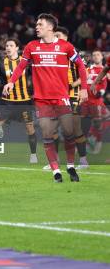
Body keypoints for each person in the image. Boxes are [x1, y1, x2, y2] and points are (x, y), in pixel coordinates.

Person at [3, 14, 88, 183]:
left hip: (62, 97)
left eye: (40, 24)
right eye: (36, 24)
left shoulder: (66, 47)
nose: (36, 27)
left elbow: (80, 65)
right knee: (48, 134)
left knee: (69, 133)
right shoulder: (31, 46)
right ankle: (56, 171)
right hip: (42, 99)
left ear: (50, 27)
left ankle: (70, 166)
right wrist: (11, 82)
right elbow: (21, 66)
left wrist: (84, 88)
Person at [54, 27, 89, 169]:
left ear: (66, 37)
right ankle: (54, 161)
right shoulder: (54, 54)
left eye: (58, 35)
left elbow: (84, 73)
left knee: (75, 129)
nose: (55, 38)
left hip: (73, 95)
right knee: (52, 129)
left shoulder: (76, 53)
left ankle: (83, 160)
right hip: (57, 96)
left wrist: (72, 85)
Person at [82, 50, 108, 155]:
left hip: (97, 101)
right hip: (85, 101)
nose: (96, 56)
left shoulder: (105, 69)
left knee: (99, 123)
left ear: (102, 57)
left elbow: (105, 82)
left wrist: (101, 91)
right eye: (94, 55)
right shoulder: (88, 68)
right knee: (83, 125)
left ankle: (96, 143)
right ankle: (85, 144)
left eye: (98, 54)